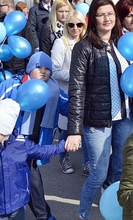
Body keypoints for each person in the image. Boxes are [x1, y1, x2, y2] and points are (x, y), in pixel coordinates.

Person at [66, 0, 133, 220]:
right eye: (101, 14)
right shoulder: (84, 48)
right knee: (98, 173)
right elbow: (76, 89)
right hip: (97, 121)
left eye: (110, 14)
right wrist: (74, 130)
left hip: (124, 118)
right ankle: (82, 215)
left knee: (120, 172)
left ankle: (114, 213)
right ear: (92, 19)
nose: (107, 18)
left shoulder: (122, 45)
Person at [0, 51, 69, 220]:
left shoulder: (54, 91)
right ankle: (42, 215)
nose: (43, 71)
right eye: (39, 67)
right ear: (30, 68)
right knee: (29, 179)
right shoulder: (12, 85)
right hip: (10, 142)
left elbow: (71, 108)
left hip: (34, 142)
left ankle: (33, 212)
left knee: (27, 178)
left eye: (47, 68)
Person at [51, 10, 87, 175]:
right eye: (71, 25)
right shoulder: (61, 43)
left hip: (87, 93)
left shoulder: (87, 42)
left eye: (78, 24)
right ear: (66, 26)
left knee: (87, 129)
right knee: (67, 129)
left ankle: (87, 162)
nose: (75, 28)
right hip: (67, 94)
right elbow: (55, 70)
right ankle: (63, 157)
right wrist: (76, 76)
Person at [0, 0, 34, 74]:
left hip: (20, 64)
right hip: (5, 63)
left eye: (0, 5)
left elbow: (29, 41)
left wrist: (29, 64)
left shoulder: (21, 20)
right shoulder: (1, 21)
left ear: (8, 6)